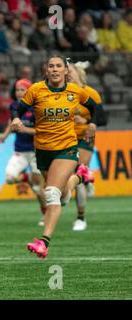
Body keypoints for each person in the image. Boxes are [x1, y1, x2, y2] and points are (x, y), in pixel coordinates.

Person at [10, 54, 100, 259]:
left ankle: (44, 242)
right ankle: (80, 177)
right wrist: (15, 119)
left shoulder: (75, 91)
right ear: (47, 70)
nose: (55, 69)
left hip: (66, 148)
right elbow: (19, 108)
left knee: (50, 193)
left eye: (59, 66)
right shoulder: (36, 90)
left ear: (66, 70)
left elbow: (95, 108)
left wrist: (92, 123)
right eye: (51, 66)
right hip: (42, 149)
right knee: (62, 197)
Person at [0, 79, 46, 225]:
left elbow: (42, 131)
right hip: (20, 151)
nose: (19, 93)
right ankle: (26, 177)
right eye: (17, 90)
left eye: (22, 90)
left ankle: (45, 214)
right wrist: (6, 134)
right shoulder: (14, 106)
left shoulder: (37, 108)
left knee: (39, 188)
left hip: (37, 151)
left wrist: (25, 129)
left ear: (29, 91)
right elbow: (12, 121)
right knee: (10, 178)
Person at [67, 61, 107, 231]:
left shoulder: (90, 94)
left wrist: (86, 120)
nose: (67, 74)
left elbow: (103, 119)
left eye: (69, 70)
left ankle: (81, 218)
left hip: (84, 136)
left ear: (78, 73)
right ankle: (87, 178)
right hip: (65, 138)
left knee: (78, 173)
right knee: (69, 177)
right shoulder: (62, 94)